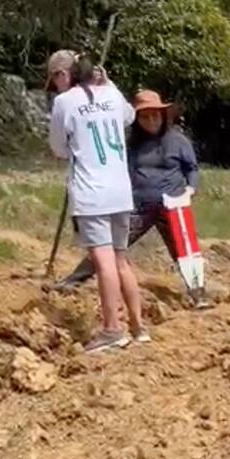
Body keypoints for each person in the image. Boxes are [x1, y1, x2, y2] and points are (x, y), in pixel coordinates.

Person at [52, 89, 211, 308]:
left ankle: (199, 295)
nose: (151, 120)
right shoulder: (130, 145)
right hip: (139, 206)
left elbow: (192, 168)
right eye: (145, 117)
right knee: (108, 244)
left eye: (155, 115)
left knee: (184, 250)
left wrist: (190, 189)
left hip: (173, 205)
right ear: (137, 120)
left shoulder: (178, 141)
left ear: (163, 115)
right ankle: (72, 282)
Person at [47, 52, 147, 353]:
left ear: (64, 74)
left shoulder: (64, 102)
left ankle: (112, 329)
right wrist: (109, 84)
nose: (55, 86)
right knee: (120, 260)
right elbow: (129, 117)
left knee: (104, 262)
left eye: (55, 79)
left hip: (91, 193)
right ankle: (138, 327)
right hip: (120, 190)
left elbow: (58, 148)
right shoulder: (112, 94)